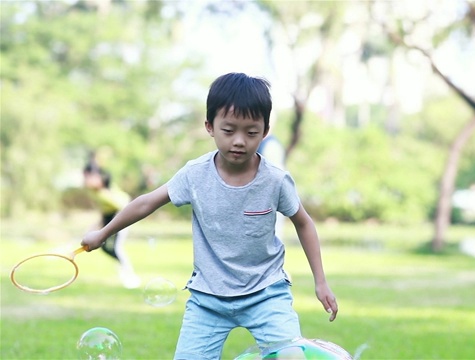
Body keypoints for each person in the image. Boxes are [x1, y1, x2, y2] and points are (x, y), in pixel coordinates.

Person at [81, 72, 338, 359]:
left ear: (265, 131)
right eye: (229, 130)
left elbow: (303, 222)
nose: (239, 141)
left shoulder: (276, 180)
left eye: (251, 132)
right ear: (210, 126)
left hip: (267, 293)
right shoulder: (195, 175)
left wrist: (321, 281)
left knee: (293, 356)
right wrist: (103, 234)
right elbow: (146, 203)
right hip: (208, 299)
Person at [83, 157, 141, 289]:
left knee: (117, 248)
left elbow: (123, 205)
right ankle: (123, 267)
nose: (86, 181)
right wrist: (97, 225)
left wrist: (112, 224)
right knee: (105, 247)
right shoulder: (96, 193)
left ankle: (129, 273)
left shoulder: (105, 193)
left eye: (89, 177)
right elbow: (104, 211)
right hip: (110, 217)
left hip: (121, 216)